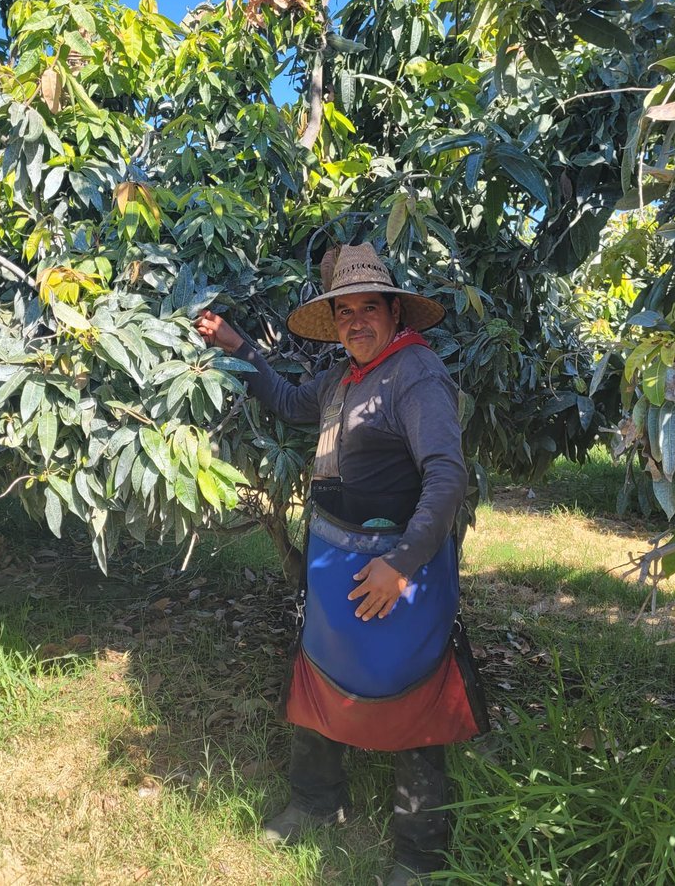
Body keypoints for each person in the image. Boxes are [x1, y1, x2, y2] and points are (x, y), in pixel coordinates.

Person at [195, 243, 485, 885]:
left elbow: (445, 477)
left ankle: (418, 852)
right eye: (344, 310)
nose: (356, 321)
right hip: (335, 565)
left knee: (413, 699)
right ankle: (316, 799)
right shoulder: (342, 379)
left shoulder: (417, 375)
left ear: (392, 312)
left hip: (395, 576)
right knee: (319, 681)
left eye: (368, 308)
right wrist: (239, 347)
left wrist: (402, 565)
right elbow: (289, 401)